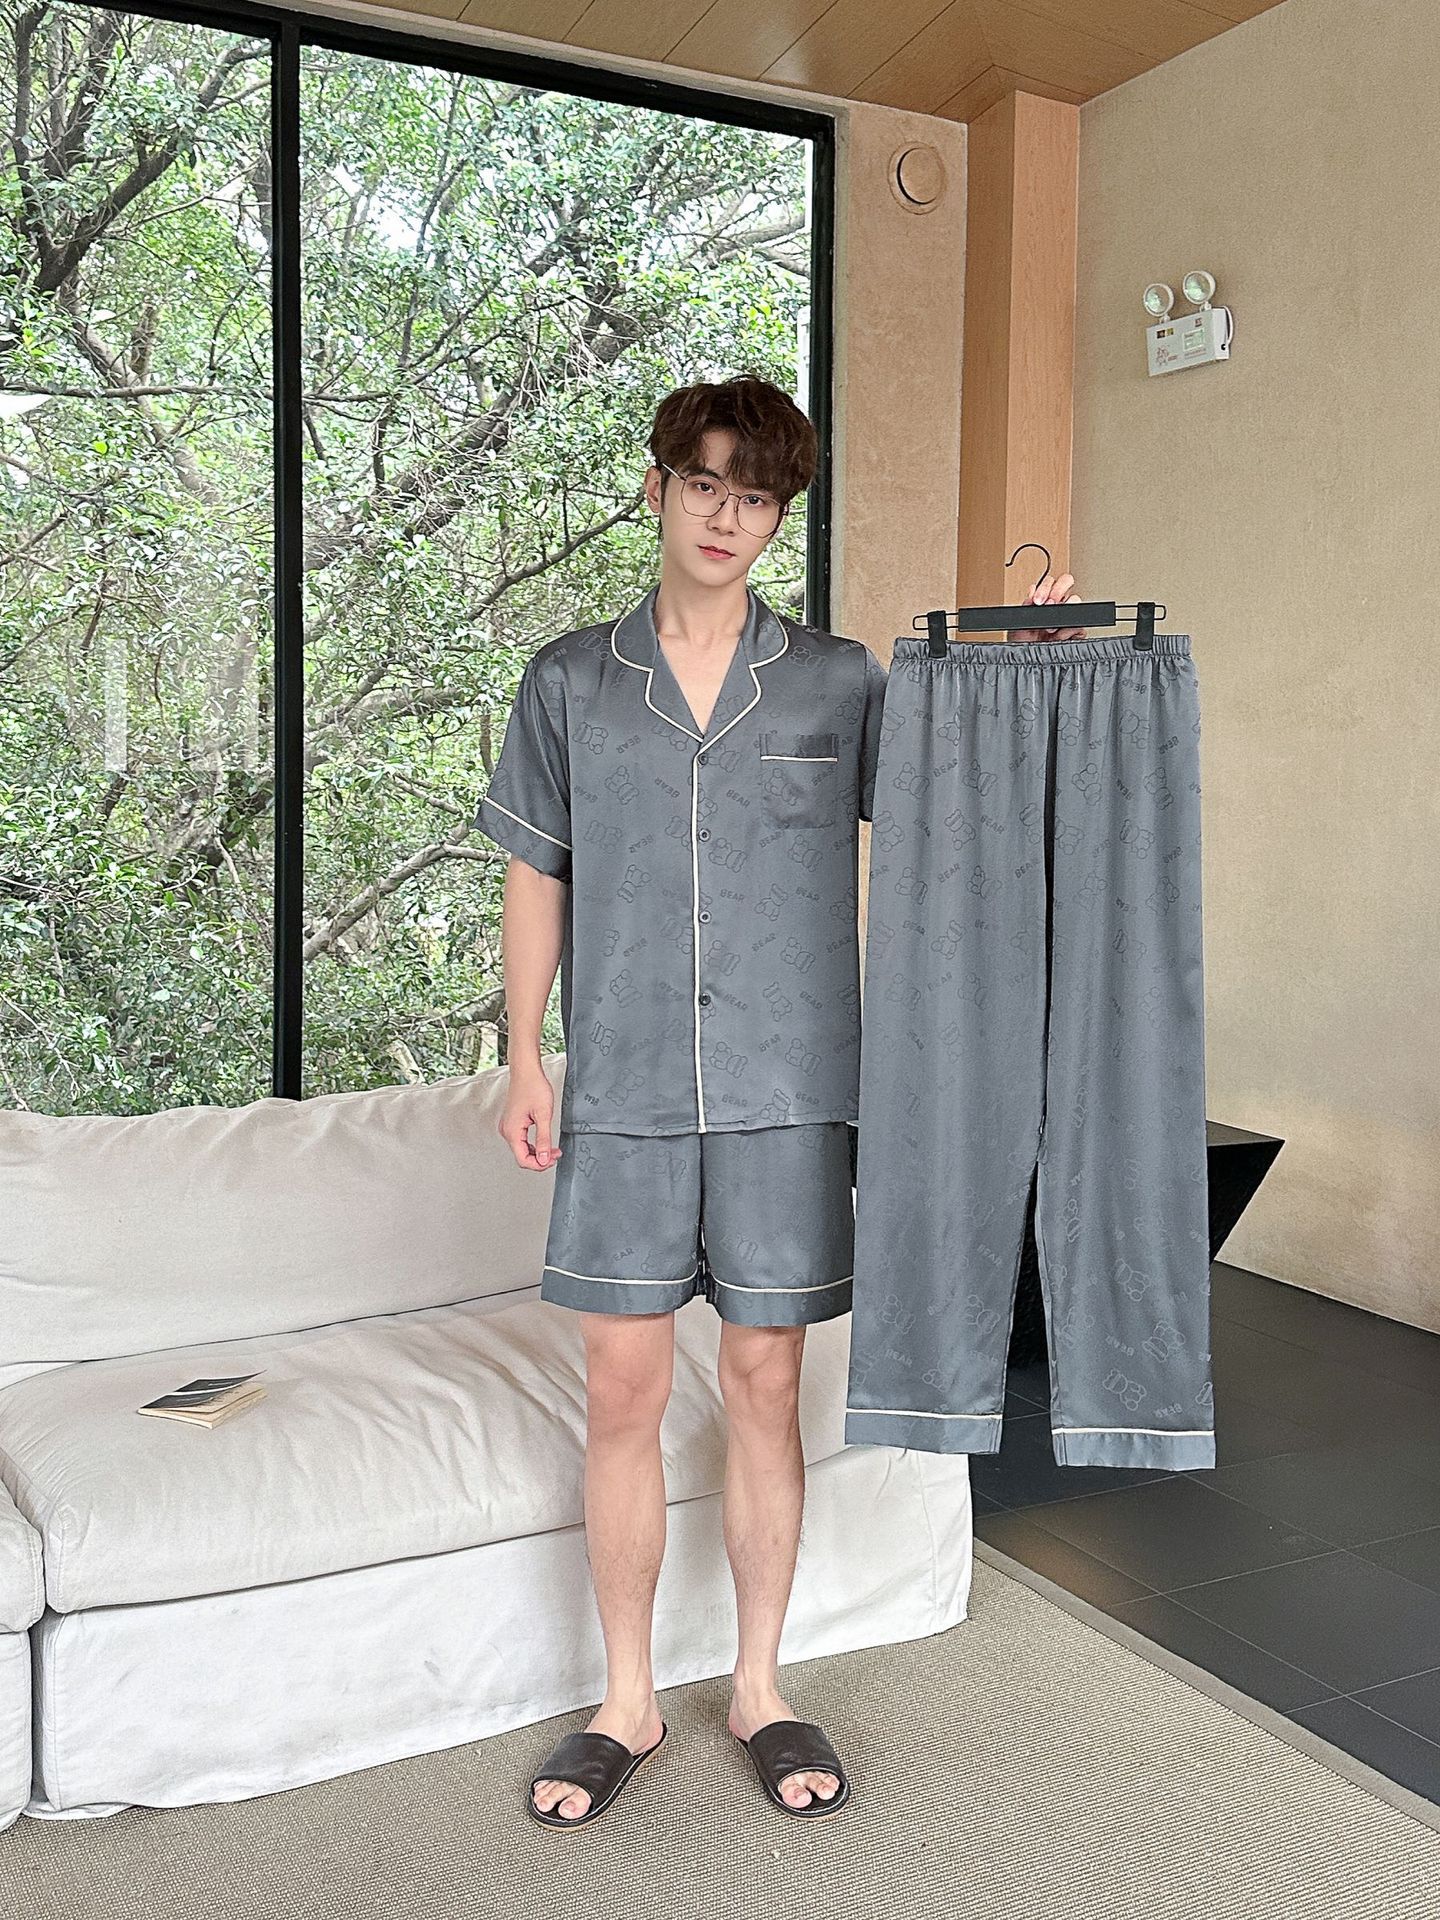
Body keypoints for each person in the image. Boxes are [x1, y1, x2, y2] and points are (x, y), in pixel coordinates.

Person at [474, 374, 1085, 1829]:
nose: (725, 517)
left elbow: (955, 793)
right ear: (657, 488)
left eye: (753, 498)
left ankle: (758, 1685)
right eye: (703, 485)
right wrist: (526, 1055)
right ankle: (626, 1701)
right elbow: (535, 873)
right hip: (625, 1093)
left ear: (776, 518)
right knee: (622, 1394)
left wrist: (1026, 666)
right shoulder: (569, 682)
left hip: (792, 1094)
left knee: (762, 1389)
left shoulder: (837, 682)